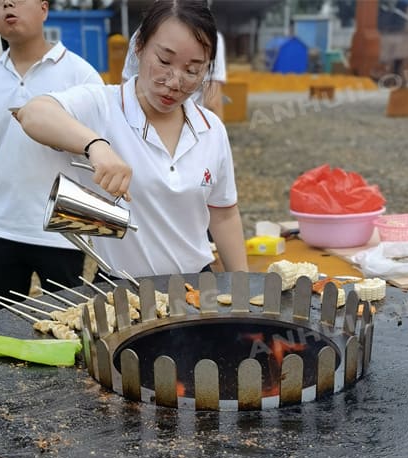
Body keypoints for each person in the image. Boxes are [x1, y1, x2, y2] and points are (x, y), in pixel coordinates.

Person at [16, 0, 248, 279]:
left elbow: (224, 215)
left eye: (192, 70)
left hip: (197, 284)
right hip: (121, 289)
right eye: (164, 61)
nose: (175, 81)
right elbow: (33, 113)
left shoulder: (211, 129)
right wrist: (96, 146)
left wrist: (243, 291)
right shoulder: (103, 105)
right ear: (139, 47)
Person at [0, 0, 103, 317]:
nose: (8, 5)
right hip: (1, 229)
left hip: (63, 230)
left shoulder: (81, 75)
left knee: (66, 333)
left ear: (44, 8)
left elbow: (99, 147)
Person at [122, 25, 227, 120]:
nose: (174, 84)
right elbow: (213, 102)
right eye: (164, 61)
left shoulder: (144, 33)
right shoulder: (210, 38)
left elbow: (126, 86)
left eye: (191, 71)